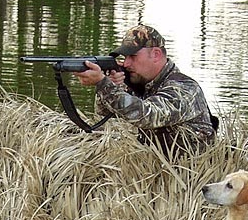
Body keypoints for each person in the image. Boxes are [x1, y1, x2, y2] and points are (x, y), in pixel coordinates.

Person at [75, 24, 216, 156]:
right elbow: (103, 117)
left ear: (156, 54)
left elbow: (147, 115)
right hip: (154, 167)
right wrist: (111, 85)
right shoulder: (142, 83)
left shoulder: (184, 88)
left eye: (133, 56)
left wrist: (102, 83)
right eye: (125, 57)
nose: (126, 63)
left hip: (188, 174)